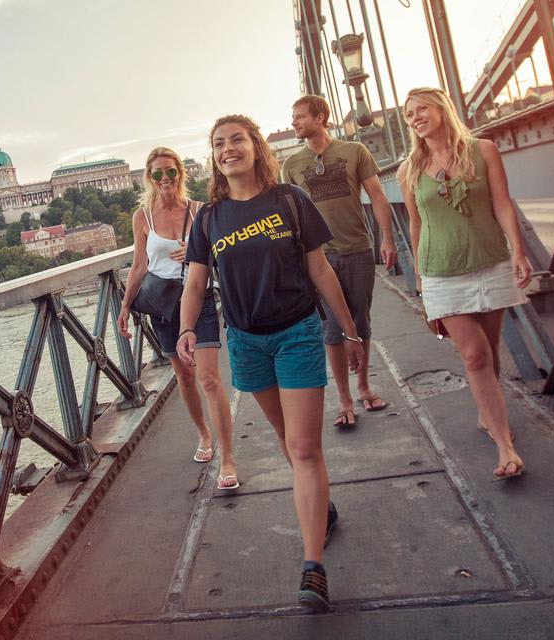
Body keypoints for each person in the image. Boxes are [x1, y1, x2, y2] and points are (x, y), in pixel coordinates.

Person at [177, 115, 364, 613]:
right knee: (287, 438)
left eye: (237, 139)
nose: (228, 149)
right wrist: (187, 328)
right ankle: (319, 505)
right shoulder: (209, 218)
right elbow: (195, 283)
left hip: (297, 333)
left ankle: (313, 566)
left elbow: (320, 269)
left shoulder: (290, 201)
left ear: (256, 147)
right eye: (218, 143)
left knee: (303, 448)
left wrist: (347, 331)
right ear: (213, 157)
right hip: (246, 342)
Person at [398, 87, 530, 480]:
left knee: (489, 348)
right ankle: (505, 445)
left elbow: (502, 203)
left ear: (441, 109)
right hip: (441, 269)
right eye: (408, 114)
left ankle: (488, 414)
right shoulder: (409, 169)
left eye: (422, 108)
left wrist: (518, 251)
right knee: (473, 354)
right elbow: (416, 223)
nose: (415, 117)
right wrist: (420, 275)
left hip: (489, 262)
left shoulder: (483, 150)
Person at [118, 147, 237, 489]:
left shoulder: (200, 211)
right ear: (149, 177)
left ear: (181, 173)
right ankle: (203, 434)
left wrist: (202, 253)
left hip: (197, 301)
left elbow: (223, 254)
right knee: (184, 378)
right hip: (164, 306)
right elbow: (140, 265)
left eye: (171, 172)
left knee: (209, 378)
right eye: (158, 174)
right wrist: (126, 306)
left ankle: (227, 459)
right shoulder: (142, 217)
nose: (165, 179)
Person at [283, 94, 397, 427]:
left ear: (320, 117)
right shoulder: (291, 164)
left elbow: (377, 195)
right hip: (318, 257)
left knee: (360, 321)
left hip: (358, 249)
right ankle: (344, 398)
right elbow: (289, 216)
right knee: (331, 328)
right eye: (293, 117)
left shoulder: (354, 152)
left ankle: (363, 386)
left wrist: (387, 239)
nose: (294, 123)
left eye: (300, 116)